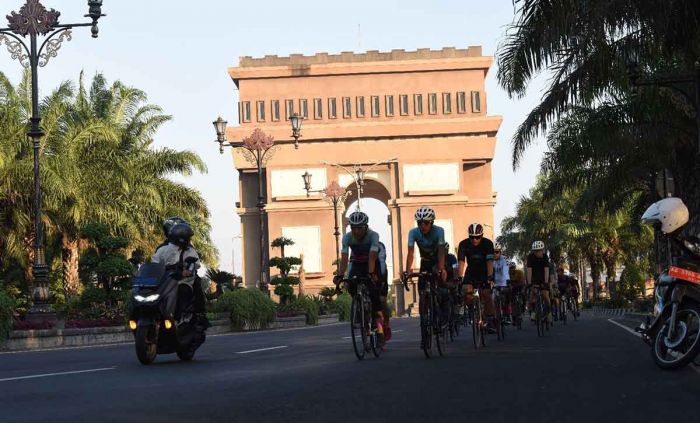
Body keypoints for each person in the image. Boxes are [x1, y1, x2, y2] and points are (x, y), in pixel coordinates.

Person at [334, 211, 386, 346]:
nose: (356, 231)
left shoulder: (373, 235)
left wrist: (370, 274)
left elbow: (373, 256)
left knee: (374, 292)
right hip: (356, 262)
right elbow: (345, 258)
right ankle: (359, 303)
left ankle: (379, 327)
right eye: (353, 228)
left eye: (360, 228)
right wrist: (340, 275)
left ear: (366, 227)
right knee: (350, 283)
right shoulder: (347, 237)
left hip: (371, 262)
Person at [403, 206, 447, 348]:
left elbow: (441, 252)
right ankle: (425, 328)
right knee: (423, 296)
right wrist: (408, 270)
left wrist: (441, 269)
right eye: (420, 223)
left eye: (426, 223)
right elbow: (411, 253)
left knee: (440, 286)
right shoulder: (413, 233)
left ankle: (441, 315)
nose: (422, 226)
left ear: (432, 222)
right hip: (425, 262)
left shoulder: (439, 231)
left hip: (436, 260)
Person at [151, 221, 207, 323]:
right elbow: (154, 262)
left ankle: (179, 318)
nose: (189, 240)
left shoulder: (190, 251)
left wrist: (188, 270)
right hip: (164, 281)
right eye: (188, 237)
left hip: (183, 281)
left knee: (183, 291)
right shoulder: (163, 249)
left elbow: (196, 264)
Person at [457, 223, 496, 333]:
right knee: (466, 290)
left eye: (477, 237)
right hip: (471, 271)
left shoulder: (488, 243)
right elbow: (461, 262)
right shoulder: (463, 244)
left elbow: (489, 261)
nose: (474, 240)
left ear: (482, 235)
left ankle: (490, 319)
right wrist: (460, 277)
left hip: (484, 271)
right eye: (472, 237)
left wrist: (490, 277)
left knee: (486, 293)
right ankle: (472, 309)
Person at [527, 241, 551, 322]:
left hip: (544, 277)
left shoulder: (545, 257)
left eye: (539, 250)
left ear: (542, 250)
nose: (537, 252)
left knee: (545, 295)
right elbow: (529, 270)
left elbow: (546, 270)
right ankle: (533, 312)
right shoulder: (530, 257)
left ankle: (549, 312)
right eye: (535, 251)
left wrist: (546, 282)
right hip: (535, 278)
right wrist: (529, 283)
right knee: (532, 295)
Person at [493, 244, 512, 324]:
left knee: (505, 297)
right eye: (493, 252)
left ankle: (507, 314)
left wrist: (507, 281)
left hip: (503, 281)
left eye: (497, 252)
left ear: (500, 253)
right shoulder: (490, 260)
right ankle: (494, 317)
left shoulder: (504, 259)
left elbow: (505, 271)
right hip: (494, 282)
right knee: (492, 299)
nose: (495, 254)